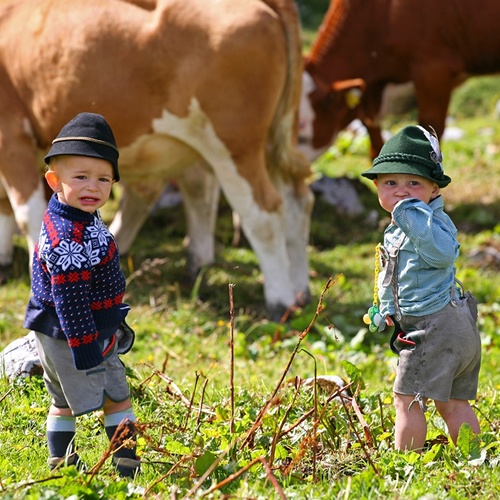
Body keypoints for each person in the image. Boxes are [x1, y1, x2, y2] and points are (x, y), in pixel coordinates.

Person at [24, 112, 140, 477]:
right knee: (115, 396)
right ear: (54, 181)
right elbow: (70, 301)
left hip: (62, 331)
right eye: (81, 177)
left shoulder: (78, 215)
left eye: (104, 179)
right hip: (77, 334)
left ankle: (61, 461)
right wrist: (87, 347)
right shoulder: (66, 238)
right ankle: (127, 468)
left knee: (63, 400)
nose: (94, 187)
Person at [361, 125, 481, 452]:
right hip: (452, 322)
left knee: (406, 399)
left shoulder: (423, 220)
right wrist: (387, 310)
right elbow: (401, 275)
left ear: (434, 190)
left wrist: (409, 213)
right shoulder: (406, 223)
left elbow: (443, 253)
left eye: (413, 183)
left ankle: (406, 464)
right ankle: (474, 458)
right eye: (390, 183)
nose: (401, 191)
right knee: (453, 402)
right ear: (376, 187)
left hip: (435, 326)